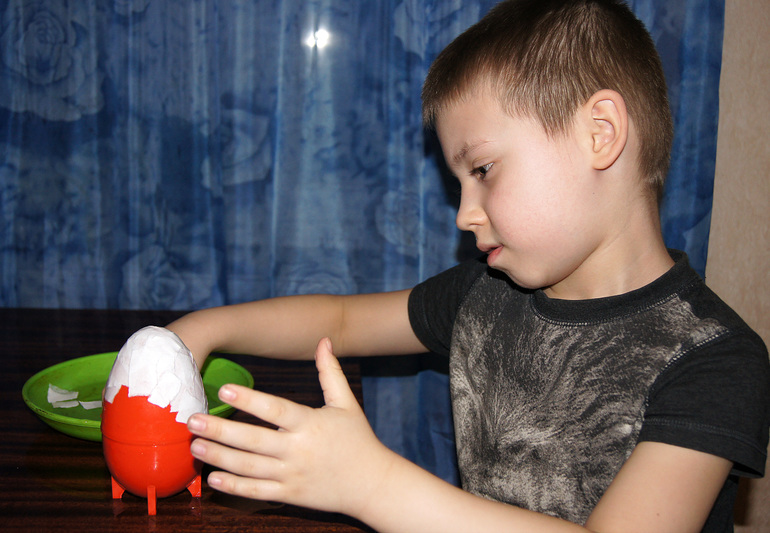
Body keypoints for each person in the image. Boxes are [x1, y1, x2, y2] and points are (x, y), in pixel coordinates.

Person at [166, 0, 769, 531]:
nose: (463, 215)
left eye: (482, 170)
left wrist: (370, 484)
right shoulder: (484, 296)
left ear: (600, 133)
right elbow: (342, 321)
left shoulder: (714, 360)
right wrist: (204, 329)